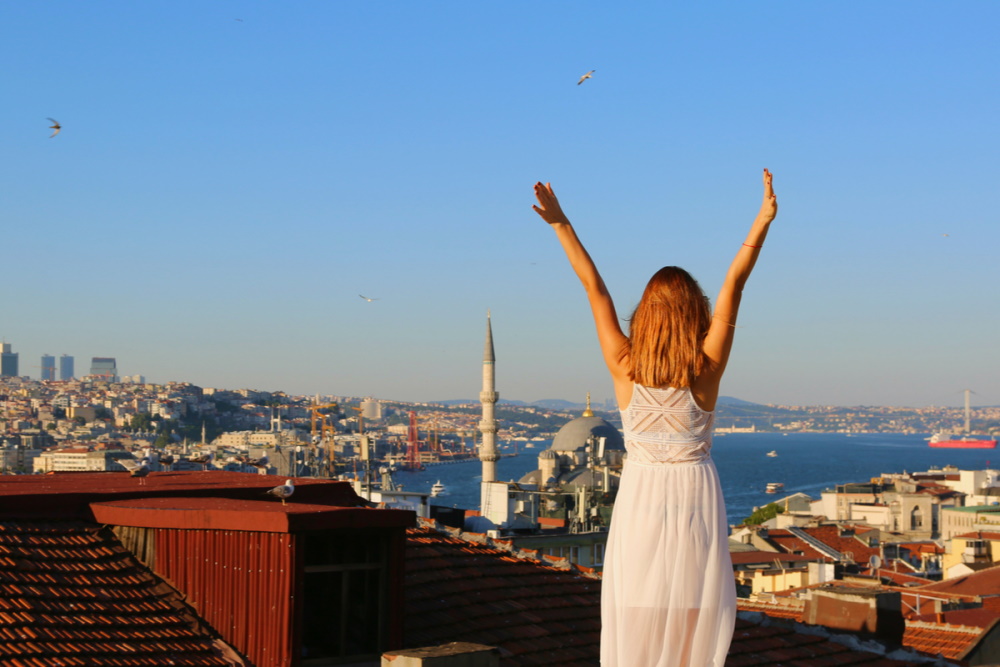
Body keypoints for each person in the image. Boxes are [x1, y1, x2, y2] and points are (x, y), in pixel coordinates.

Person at [532, 170, 778, 667]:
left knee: (639, 600)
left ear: (644, 312)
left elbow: (594, 289)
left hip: (643, 493)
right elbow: (736, 281)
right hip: (694, 492)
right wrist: (762, 220)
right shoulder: (706, 366)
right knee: (692, 603)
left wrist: (561, 224)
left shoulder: (625, 366)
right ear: (696, 311)